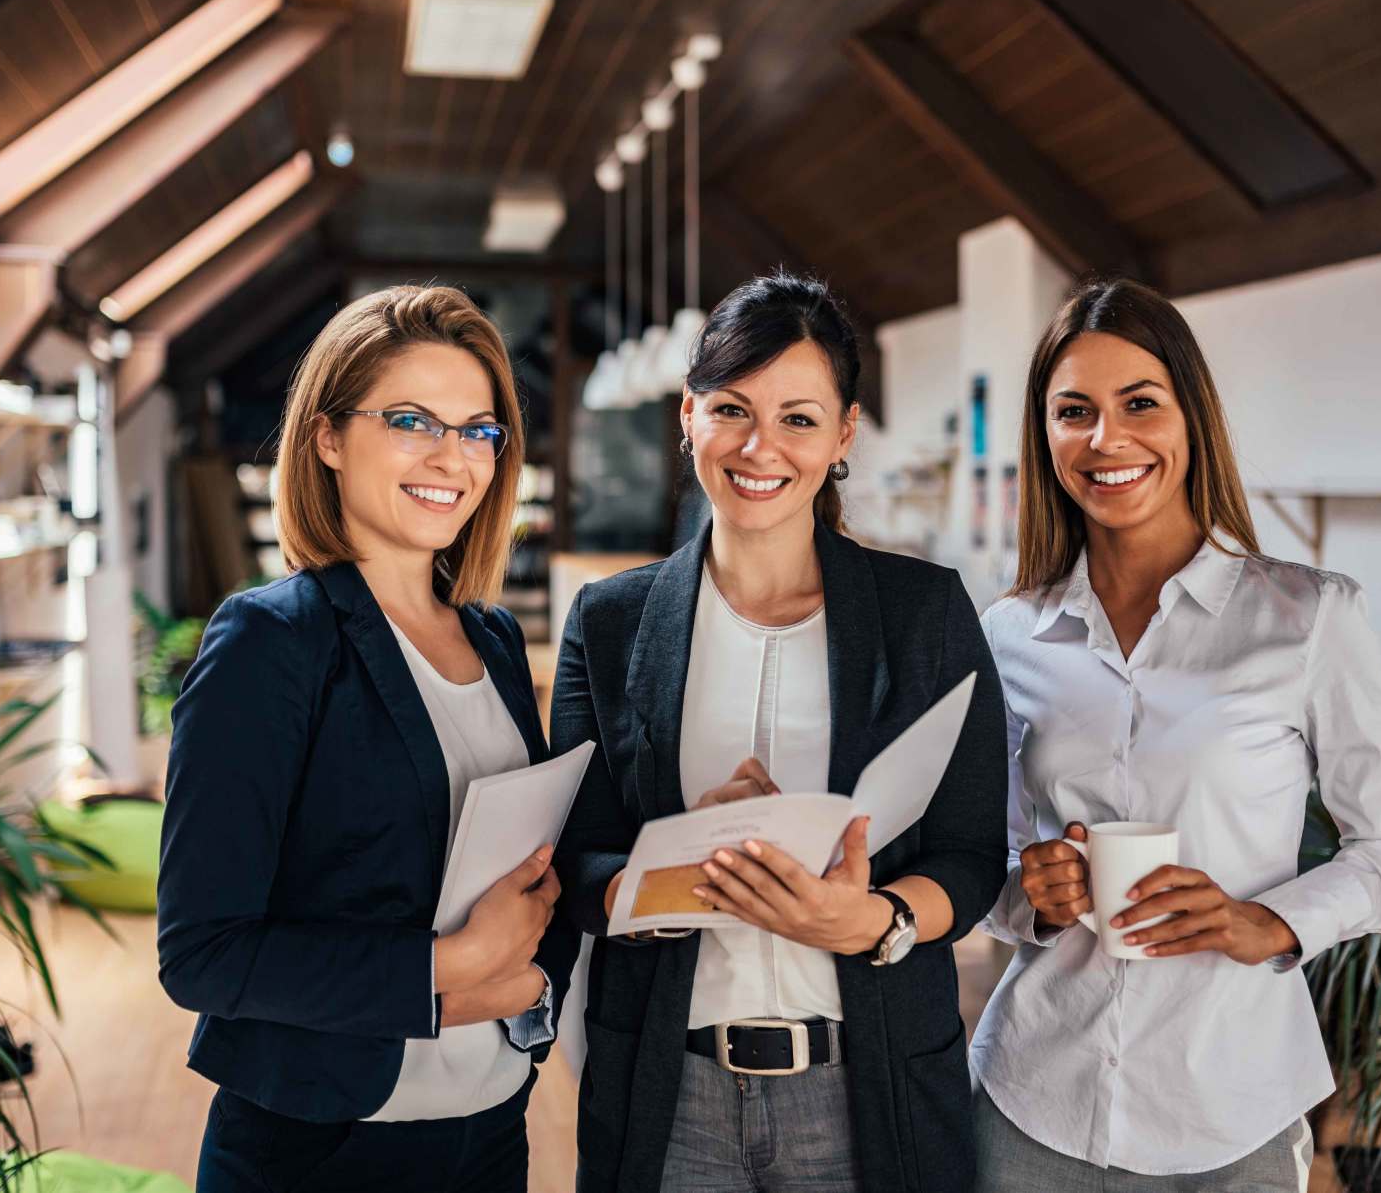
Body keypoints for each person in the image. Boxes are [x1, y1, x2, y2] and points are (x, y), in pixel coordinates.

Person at [970, 277, 1381, 1192]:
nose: (1106, 439)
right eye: (1074, 412)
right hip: (1033, 1100)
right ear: (1045, 434)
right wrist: (1034, 896)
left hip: (1231, 1111)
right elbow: (981, 865)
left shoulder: (1308, 617)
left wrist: (1265, 922)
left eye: (1140, 403)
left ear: (1192, 416)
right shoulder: (1010, 633)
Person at [552, 272, 1009, 1192]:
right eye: (732, 409)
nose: (761, 447)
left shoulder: (925, 614)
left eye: (798, 419)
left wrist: (873, 920)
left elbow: (969, 854)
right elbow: (574, 860)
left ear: (844, 435)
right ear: (689, 417)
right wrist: (672, 868)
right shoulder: (609, 621)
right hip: (669, 1089)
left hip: (864, 1088)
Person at [158, 285, 580, 1193]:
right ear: (328, 438)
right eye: (411, 421)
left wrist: (535, 985)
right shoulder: (272, 641)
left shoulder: (494, 638)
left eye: (479, 430)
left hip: (490, 1132)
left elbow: (531, 867)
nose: (451, 457)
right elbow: (203, 955)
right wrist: (449, 971)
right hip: (322, 1150)